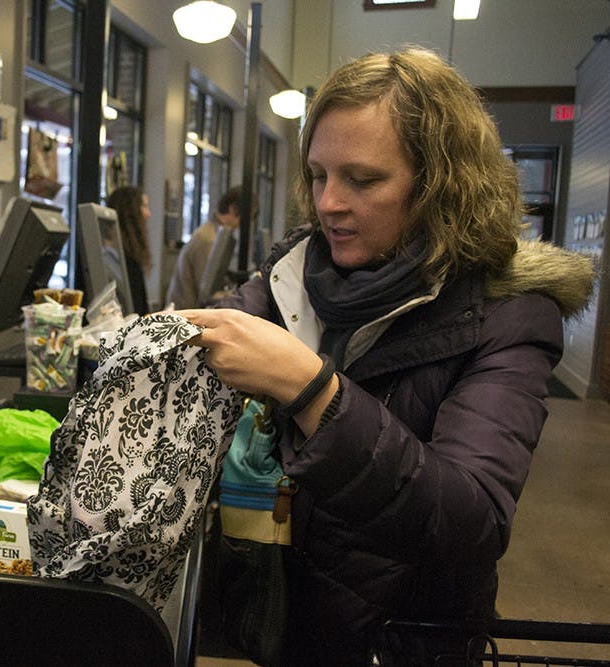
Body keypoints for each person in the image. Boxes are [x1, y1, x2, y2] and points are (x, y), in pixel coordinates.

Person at [179, 47, 594, 664]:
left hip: (400, 637)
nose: (328, 204)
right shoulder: (295, 274)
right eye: (319, 175)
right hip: (284, 620)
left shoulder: (509, 313)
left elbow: (470, 521)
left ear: (440, 185)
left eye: (363, 179)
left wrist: (313, 391)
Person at [165, 185, 243, 310]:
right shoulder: (208, 238)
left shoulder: (214, 234)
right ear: (233, 209)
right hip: (184, 314)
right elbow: (207, 293)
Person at [105, 185, 152, 315]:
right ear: (129, 211)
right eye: (145, 206)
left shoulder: (128, 254)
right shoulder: (112, 256)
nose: (148, 214)